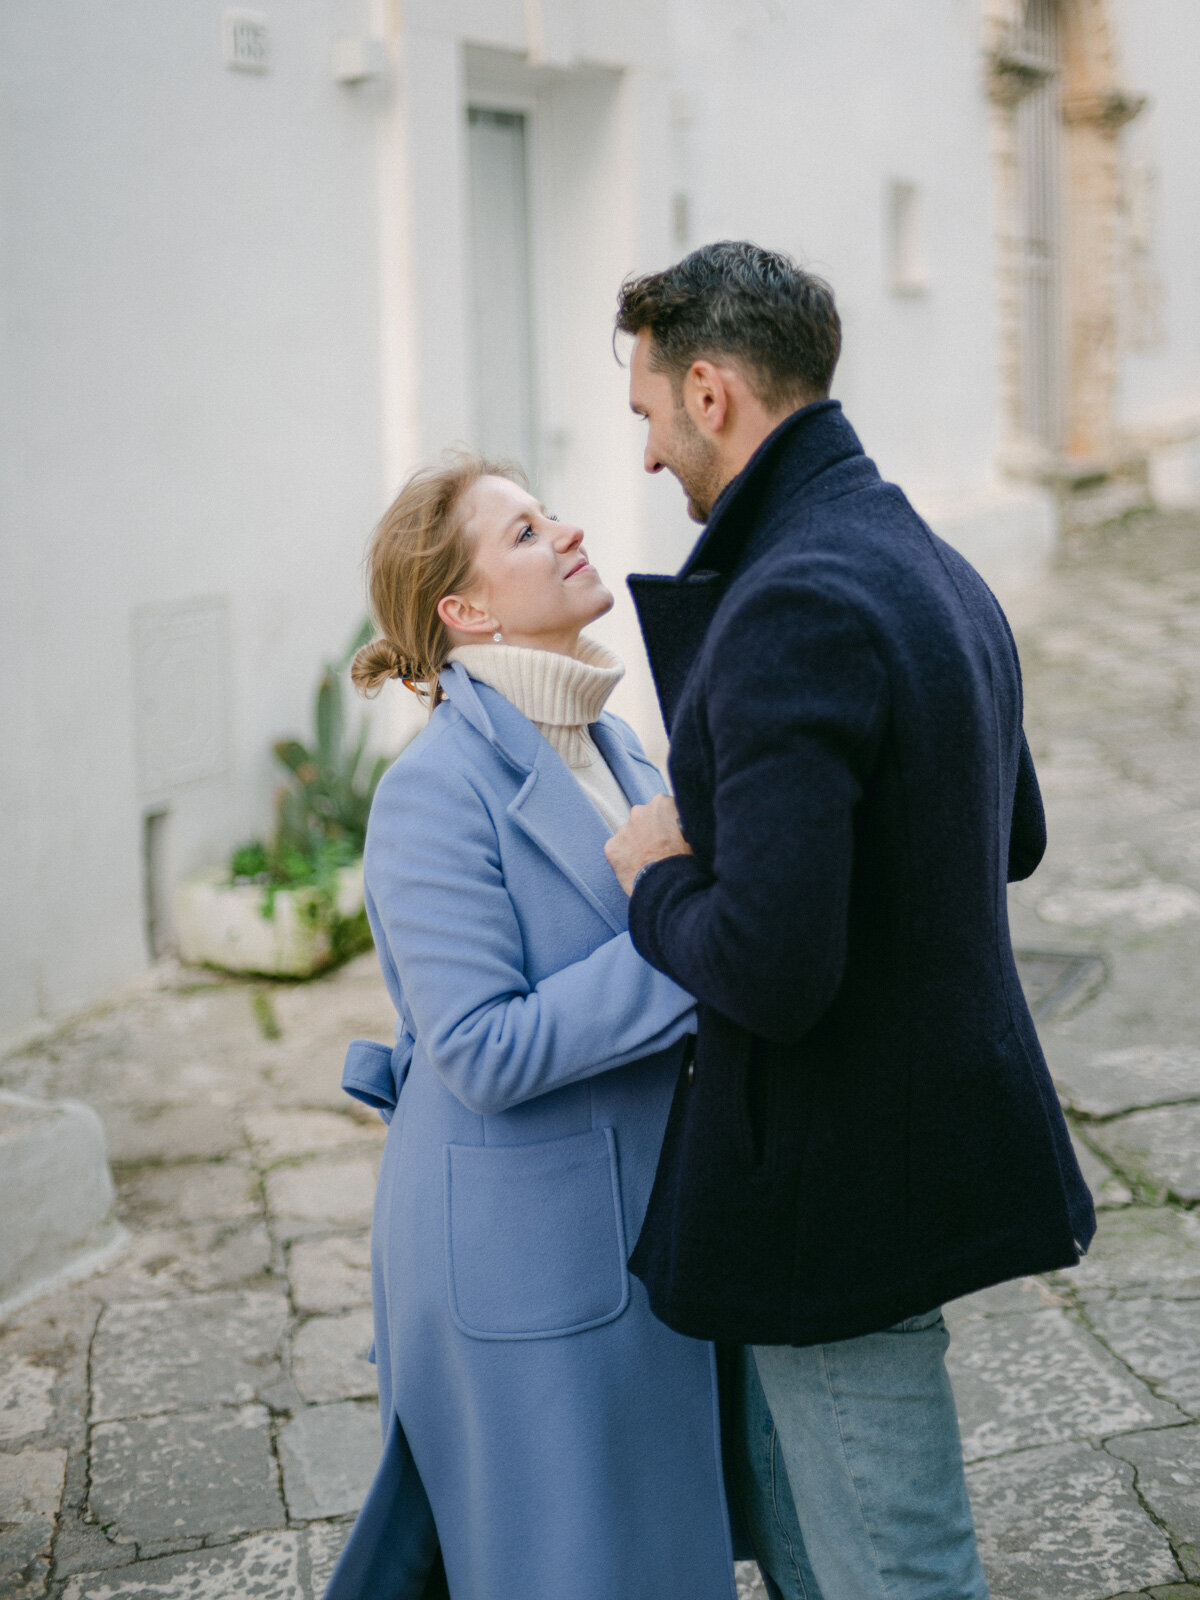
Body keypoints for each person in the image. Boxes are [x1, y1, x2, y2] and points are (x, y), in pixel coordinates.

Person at [603, 241, 1097, 1600]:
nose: (647, 457)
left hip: (837, 1185)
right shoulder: (918, 551)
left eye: (645, 414)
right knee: (827, 1560)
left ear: (710, 393)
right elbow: (1017, 832)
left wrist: (658, 876)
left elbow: (770, 967)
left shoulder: (790, 603)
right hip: (918, 1134)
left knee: (893, 1569)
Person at [321, 453, 740, 1600]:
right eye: (521, 532)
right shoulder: (431, 791)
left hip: (645, 1223)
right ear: (463, 610)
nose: (564, 531)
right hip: (525, 1250)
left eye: (549, 512)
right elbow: (481, 1046)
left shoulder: (617, 742)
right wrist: (691, 945)